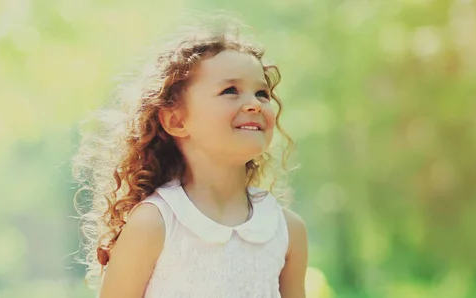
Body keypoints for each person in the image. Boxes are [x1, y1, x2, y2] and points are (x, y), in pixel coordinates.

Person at [72, 16, 308, 298]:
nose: (255, 104)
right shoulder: (154, 223)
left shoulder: (286, 230)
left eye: (262, 93)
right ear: (176, 121)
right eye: (230, 90)